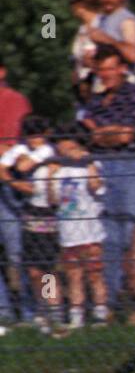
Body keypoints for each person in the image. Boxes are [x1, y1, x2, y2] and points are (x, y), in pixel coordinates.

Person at [81, 45, 135, 320]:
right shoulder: (97, 101)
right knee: (108, 236)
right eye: (102, 70)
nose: (106, 74)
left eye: (111, 68)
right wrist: (105, 134)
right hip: (104, 166)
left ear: (122, 68)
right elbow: (88, 133)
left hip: (131, 165)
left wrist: (101, 133)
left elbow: (126, 137)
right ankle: (109, 305)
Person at [0, 116, 57, 330]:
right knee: (30, 267)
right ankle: (35, 311)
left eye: (37, 134)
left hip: (47, 217)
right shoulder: (23, 149)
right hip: (28, 215)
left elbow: (22, 167)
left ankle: (53, 310)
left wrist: (18, 156)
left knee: (47, 267)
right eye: (29, 135)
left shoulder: (47, 151)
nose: (33, 139)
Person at [51, 126, 108, 329]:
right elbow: (53, 200)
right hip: (68, 231)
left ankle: (101, 314)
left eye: (66, 142)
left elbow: (96, 187)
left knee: (94, 273)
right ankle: (76, 317)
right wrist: (50, 176)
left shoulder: (90, 164)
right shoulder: (58, 168)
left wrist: (88, 162)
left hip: (89, 230)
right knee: (73, 275)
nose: (62, 147)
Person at [0, 58, 34, 321]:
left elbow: (12, 146)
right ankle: (4, 312)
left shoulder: (13, 100)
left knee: (18, 250)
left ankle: (31, 310)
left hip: (9, 183)